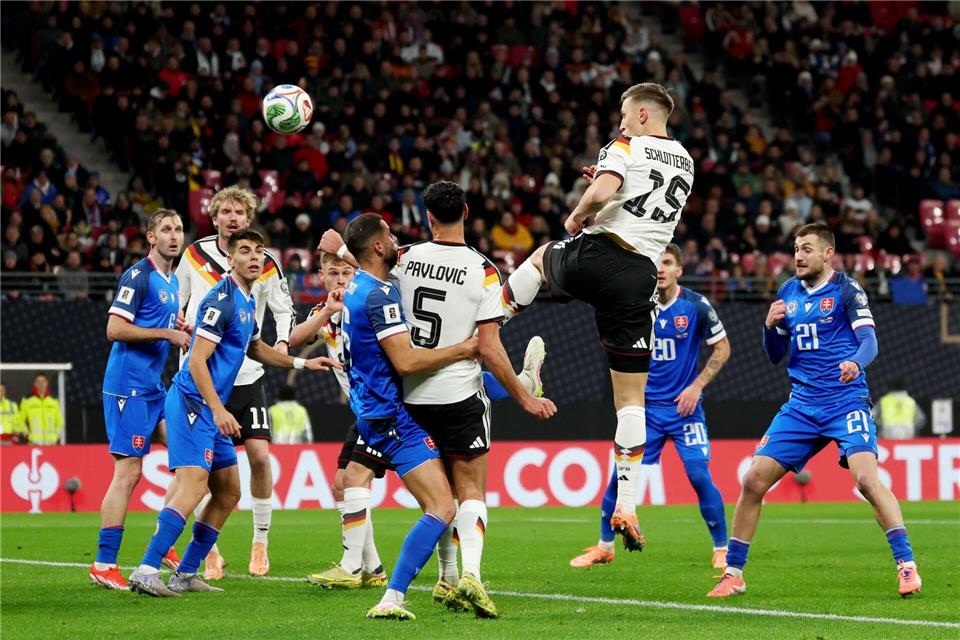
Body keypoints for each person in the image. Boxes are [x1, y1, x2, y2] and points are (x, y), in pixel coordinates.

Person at [316, 183, 556, 618]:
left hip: (411, 400)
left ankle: (438, 580)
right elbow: (487, 346)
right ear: (465, 211)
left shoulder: (404, 260)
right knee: (468, 492)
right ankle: (469, 577)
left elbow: (364, 261)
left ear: (427, 218)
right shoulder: (482, 269)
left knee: (438, 496)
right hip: (454, 393)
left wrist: (339, 247)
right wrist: (522, 397)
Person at [499, 82, 694, 551]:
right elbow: (635, 200)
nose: (621, 122)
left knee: (544, 255)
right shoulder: (685, 160)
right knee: (631, 400)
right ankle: (627, 502)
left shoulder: (627, 143)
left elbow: (608, 187)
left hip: (602, 254)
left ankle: (488, 327)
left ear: (643, 115)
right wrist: (607, 195)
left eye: (625, 114)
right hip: (640, 277)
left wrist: (579, 213)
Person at [707, 223, 922, 599]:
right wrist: (769, 328)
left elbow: (869, 340)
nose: (798, 256)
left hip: (845, 400)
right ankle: (733, 573)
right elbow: (776, 356)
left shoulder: (845, 289)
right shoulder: (788, 292)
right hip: (802, 406)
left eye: (806, 248)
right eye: (795, 249)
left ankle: (906, 566)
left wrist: (855, 363)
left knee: (867, 481)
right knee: (753, 480)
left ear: (827, 254)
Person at [127, 229, 338, 597]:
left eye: (259, 251)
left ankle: (187, 573)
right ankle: (146, 569)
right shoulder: (220, 301)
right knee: (193, 485)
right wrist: (217, 408)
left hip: (209, 409)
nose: (255, 257)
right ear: (230, 260)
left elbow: (257, 350)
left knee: (228, 492)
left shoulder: (246, 300)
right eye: (245, 251)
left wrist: (302, 365)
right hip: (194, 404)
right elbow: (196, 361)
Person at [338, 213, 479, 620]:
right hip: (390, 416)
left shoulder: (359, 286)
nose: (397, 238)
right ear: (378, 247)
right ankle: (392, 596)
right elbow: (406, 360)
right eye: (390, 234)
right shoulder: (378, 298)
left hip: (371, 409)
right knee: (442, 506)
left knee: (440, 501)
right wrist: (464, 348)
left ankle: (433, 582)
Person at [570, 243, 730, 569]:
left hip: (686, 412)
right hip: (646, 413)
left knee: (699, 475)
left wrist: (696, 387)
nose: (660, 268)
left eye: (667, 262)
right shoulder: (636, 305)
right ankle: (604, 547)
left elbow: (723, 348)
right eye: (656, 262)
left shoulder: (696, 306)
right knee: (619, 479)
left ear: (679, 270)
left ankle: (722, 548)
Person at [175, 185, 295, 578]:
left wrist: (280, 343)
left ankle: (260, 542)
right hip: (203, 374)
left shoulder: (265, 262)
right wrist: (174, 323)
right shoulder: (193, 255)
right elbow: (175, 301)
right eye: (224, 211)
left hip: (248, 374)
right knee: (200, 472)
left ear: (248, 219)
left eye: (238, 212)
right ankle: (209, 551)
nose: (231, 217)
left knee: (259, 457)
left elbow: (284, 309)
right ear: (214, 218)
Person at [89, 209, 190, 590]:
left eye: (179, 229)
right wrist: (165, 334)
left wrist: (178, 327)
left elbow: (158, 323)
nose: (174, 235)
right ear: (151, 237)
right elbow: (114, 328)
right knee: (128, 472)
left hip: (152, 389)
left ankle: (163, 542)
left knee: (188, 456)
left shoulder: (169, 281)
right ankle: (103, 563)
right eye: (166, 229)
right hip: (127, 388)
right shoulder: (139, 275)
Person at [20, 373, 63, 445]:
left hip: (51, 442)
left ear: (47, 383)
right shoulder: (27, 401)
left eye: (43, 381)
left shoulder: (54, 401)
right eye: (38, 382)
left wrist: (57, 436)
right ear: (35, 384)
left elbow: (59, 422)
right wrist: (27, 435)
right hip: (33, 442)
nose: (41, 384)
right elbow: (20, 421)